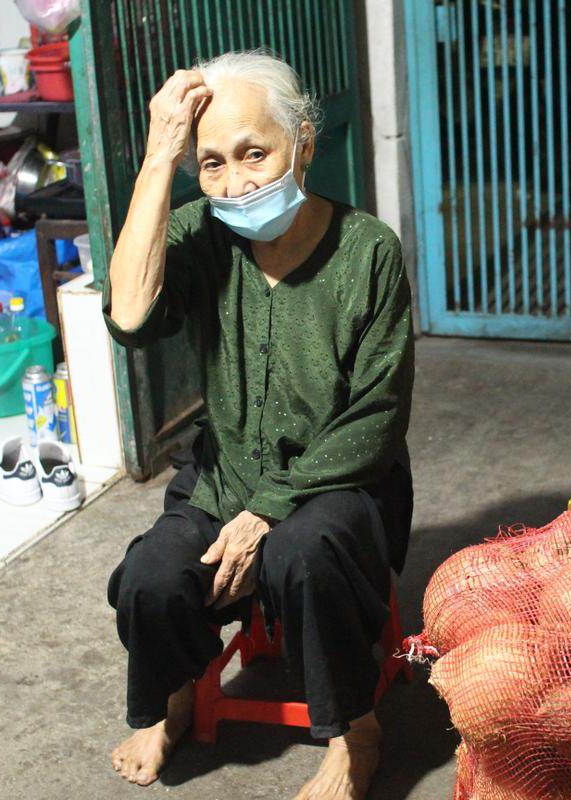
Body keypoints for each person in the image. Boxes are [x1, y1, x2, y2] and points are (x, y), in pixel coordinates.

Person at [102, 49, 414, 800]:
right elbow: (129, 316)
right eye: (212, 165)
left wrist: (268, 511)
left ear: (302, 144)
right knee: (150, 579)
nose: (236, 183)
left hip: (340, 481)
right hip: (225, 472)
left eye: (255, 153)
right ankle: (174, 703)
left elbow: (377, 415)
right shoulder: (202, 237)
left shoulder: (368, 250)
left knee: (302, 553)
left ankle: (353, 737)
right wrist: (158, 159)